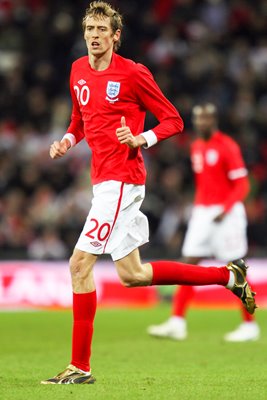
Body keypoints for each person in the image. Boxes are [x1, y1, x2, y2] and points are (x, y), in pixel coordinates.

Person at [41, 2, 256, 385]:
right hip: (102, 180)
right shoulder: (77, 71)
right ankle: (228, 276)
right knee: (133, 275)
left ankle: (80, 367)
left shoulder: (133, 73)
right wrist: (67, 141)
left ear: (115, 36)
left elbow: (174, 119)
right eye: (89, 28)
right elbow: (81, 119)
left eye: (101, 29)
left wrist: (142, 137)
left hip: (123, 179)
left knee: (78, 265)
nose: (93, 35)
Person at [148, 103, 260, 342]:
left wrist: (225, 208)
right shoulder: (196, 146)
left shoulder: (227, 146)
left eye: (206, 118)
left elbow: (243, 185)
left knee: (236, 268)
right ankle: (177, 321)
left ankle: (250, 325)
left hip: (226, 213)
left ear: (214, 120)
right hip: (202, 212)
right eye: (198, 119)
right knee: (189, 263)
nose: (202, 123)